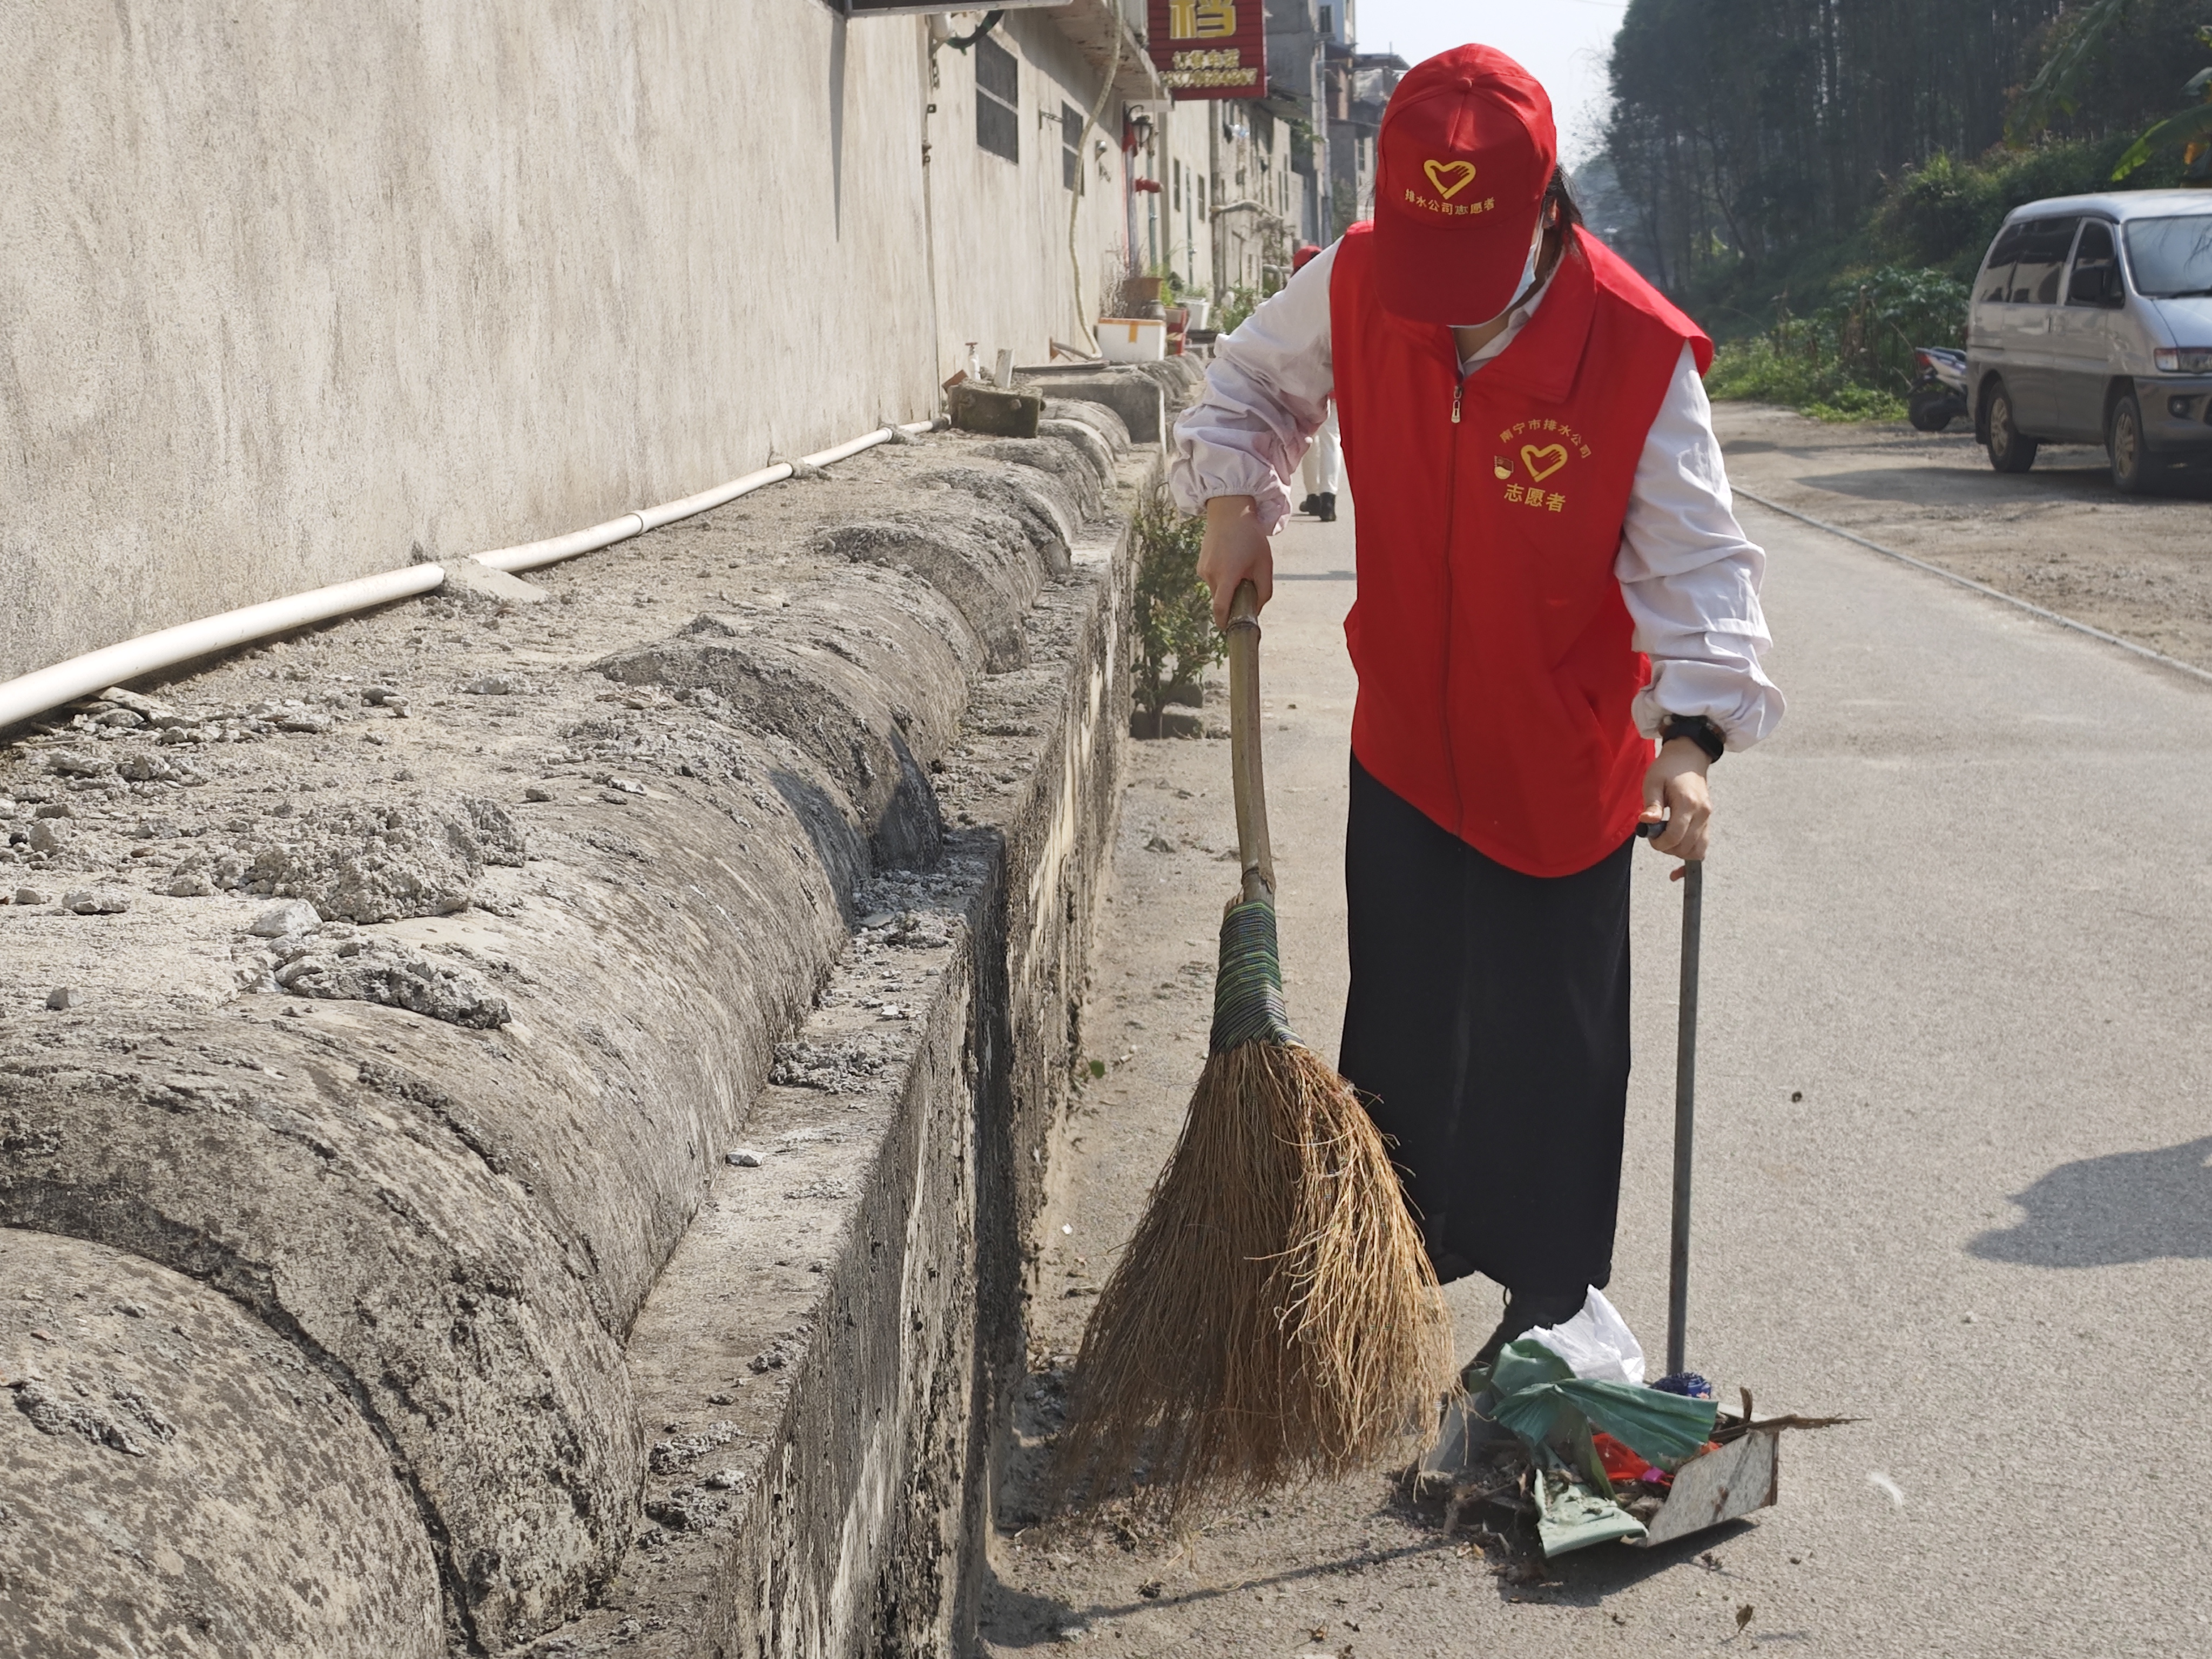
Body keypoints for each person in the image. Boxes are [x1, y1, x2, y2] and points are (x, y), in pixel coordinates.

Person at [1168, 44, 1784, 1367]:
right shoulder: (1358, 275)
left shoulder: (1635, 349)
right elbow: (1255, 381)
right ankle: (1376, 1285)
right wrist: (1232, 499)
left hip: (1554, 772)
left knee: (1547, 1061)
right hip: (1401, 743)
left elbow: (1700, 569)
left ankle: (1545, 1314)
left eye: (1472, 270)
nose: (1442, 312)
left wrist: (1688, 743)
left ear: (1547, 211)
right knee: (1399, 1035)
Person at [1288, 244, 1341, 523]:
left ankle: (1313, 496)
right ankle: (1329, 498)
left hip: (1305, 381)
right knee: (1332, 439)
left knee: (1309, 438)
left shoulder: (1293, 298)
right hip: (1336, 378)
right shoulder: (1339, 293)